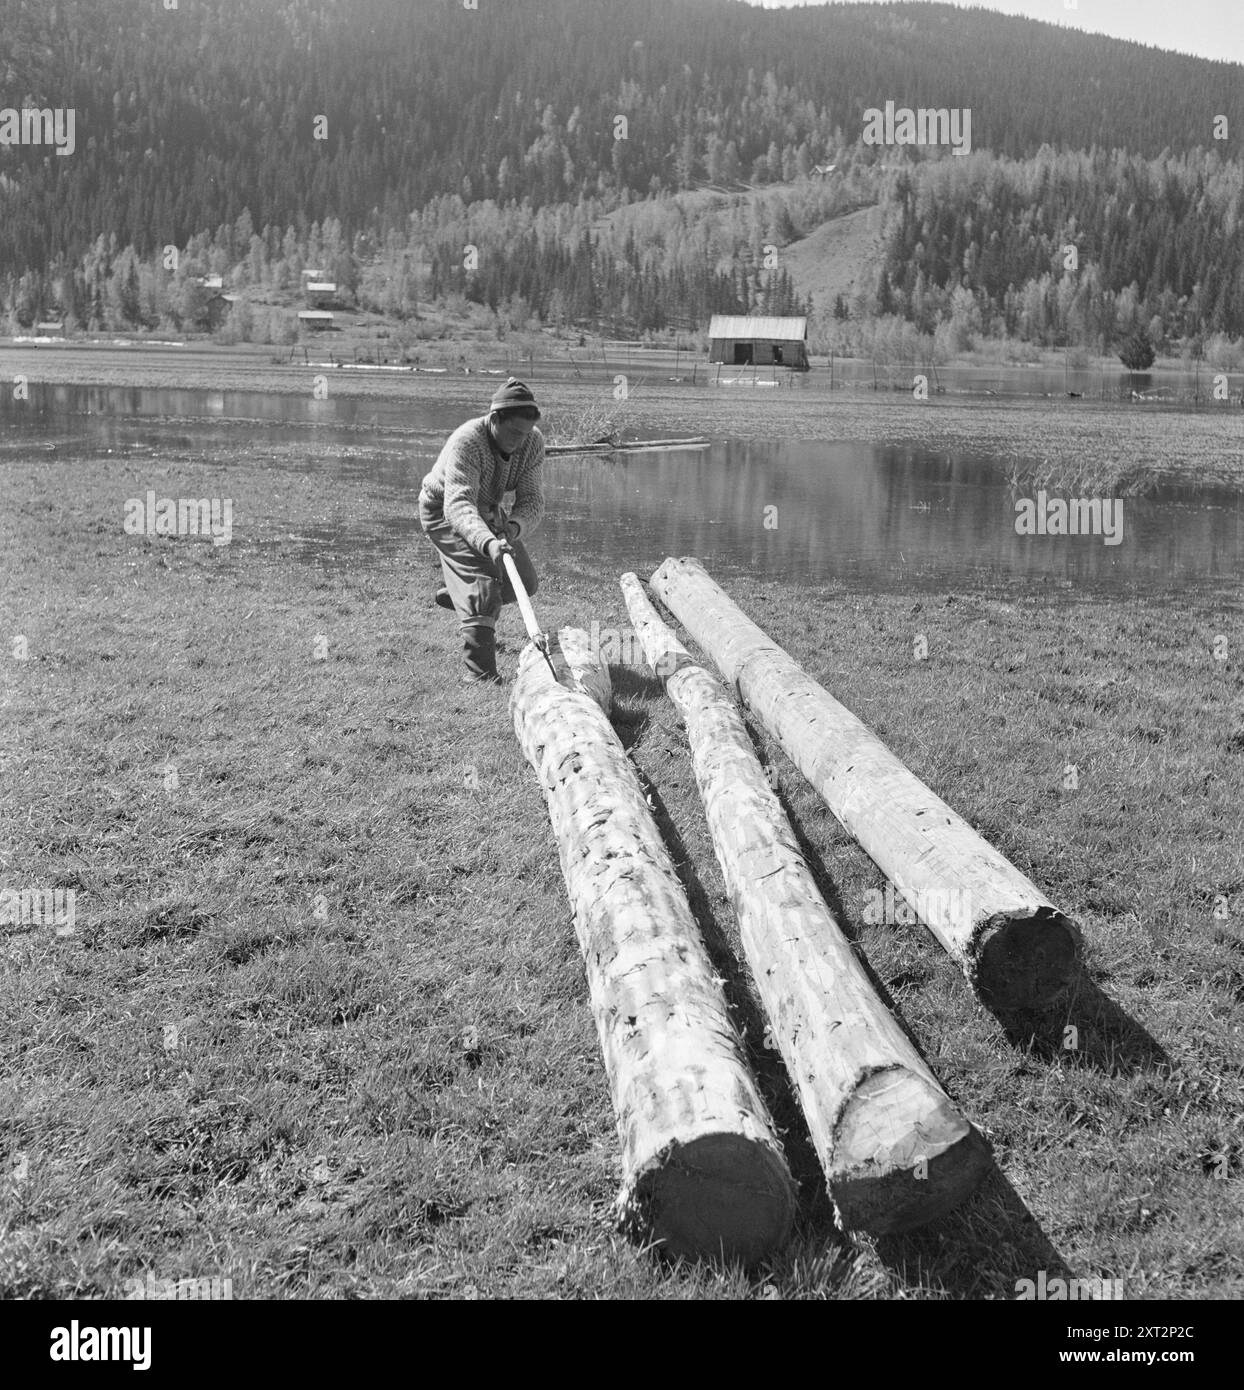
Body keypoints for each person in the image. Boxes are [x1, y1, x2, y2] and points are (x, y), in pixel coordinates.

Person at [417, 378, 545, 684]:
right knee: (483, 591)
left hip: (488, 511)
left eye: (525, 433)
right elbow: (458, 504)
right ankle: (481, 677)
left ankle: (462, 594)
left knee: (525, 583)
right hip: (443, 511)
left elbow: (532, 499)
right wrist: (488, 544)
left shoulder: (532, 441)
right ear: (494, 419)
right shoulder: (468, 441)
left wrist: (513, 528)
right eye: (514, 432)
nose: (520, 440)